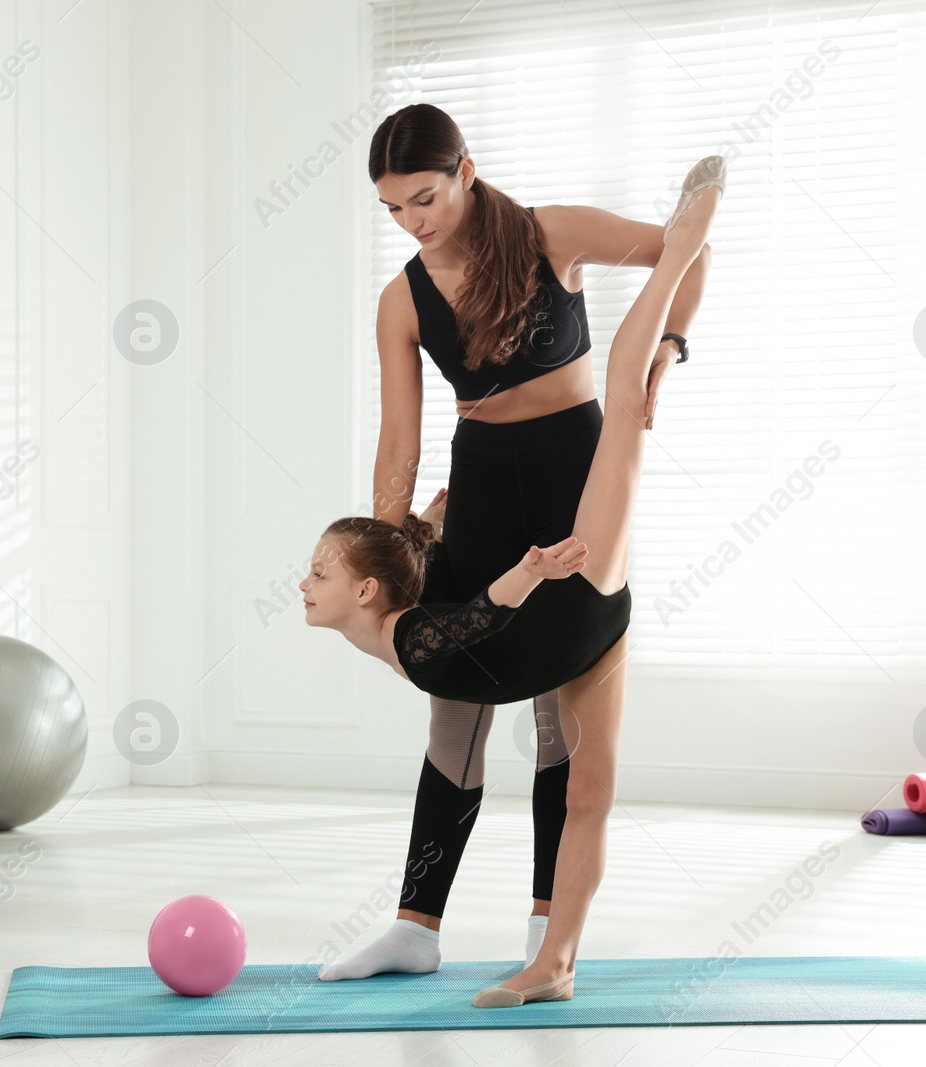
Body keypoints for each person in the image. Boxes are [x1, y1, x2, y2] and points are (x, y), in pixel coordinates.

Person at [302, 154, 726, 1007]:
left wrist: (670, 351)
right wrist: (393, 550)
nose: (413, 221)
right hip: (484, 483)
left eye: (424, 198)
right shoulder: (403, 300)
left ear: (463, 172)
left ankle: (545, 929)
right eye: (392, 210)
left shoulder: (546, 234)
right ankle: (415, 926)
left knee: (555, 711)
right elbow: (399, 442)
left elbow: (686, 251)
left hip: (575, 463)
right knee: (456, 706)